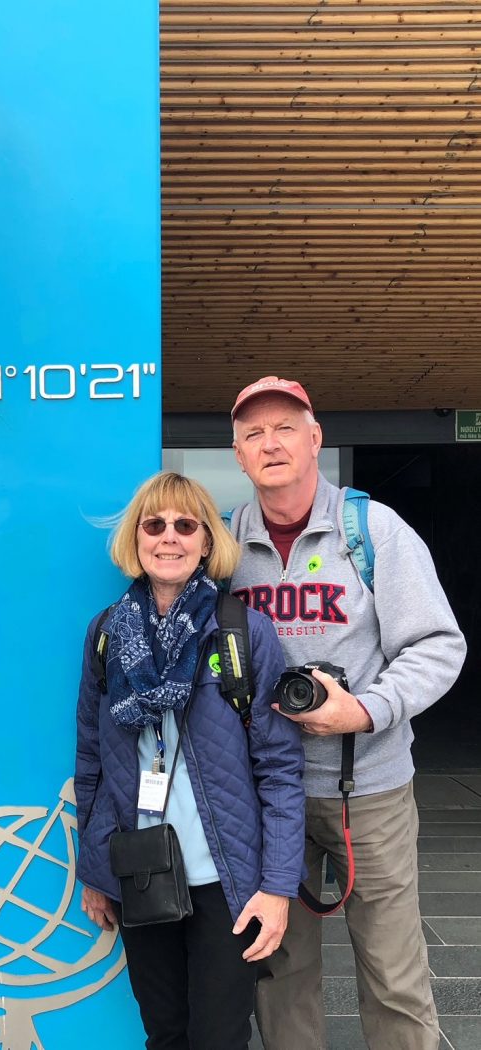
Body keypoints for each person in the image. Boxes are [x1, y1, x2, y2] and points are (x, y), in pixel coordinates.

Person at [225, 376, 467, 1050]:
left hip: (372, 790)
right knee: (279, 970)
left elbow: (439, 644)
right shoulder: (222, 548)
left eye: (284, 427)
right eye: (253, 433)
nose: (270, 443)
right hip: (266, 797)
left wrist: (364, 710)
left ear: (314, 439)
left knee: (393, 970)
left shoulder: (373, 530)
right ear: (239, 453)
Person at [74, 471, 305, 1050]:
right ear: (137, 539)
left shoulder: (241, 632)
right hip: (140, 872)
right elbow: (92, 760)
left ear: (207, 541)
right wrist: (97, 870)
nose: (169, 537)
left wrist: (277, 888)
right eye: (155, 525)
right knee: (165, 1035)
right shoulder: (106, 634)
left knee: (219, 1038)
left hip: (228, 882)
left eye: (185, 524)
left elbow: (280, 769)